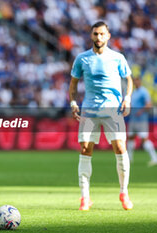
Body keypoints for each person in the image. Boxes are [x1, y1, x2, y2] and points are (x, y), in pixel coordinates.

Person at [69, 21, 134, 211]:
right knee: (85, 150)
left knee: (120, 148)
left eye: (102, 34)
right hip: (89, 111)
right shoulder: (82, 59)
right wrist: (73, 103)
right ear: (91, 36)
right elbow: (73, 86)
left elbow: (128, 80)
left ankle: (124, 192)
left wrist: (127, 98)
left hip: (113, 110)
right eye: (95, 34)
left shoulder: (117, 58)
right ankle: (85, 198)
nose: (99, 37)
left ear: (108, 36)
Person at [127, 77, 157, 166]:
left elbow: (149, 104)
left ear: (140, 81)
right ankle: (129, 158)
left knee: (144, 140)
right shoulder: (134, 92)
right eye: (134, 80)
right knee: (130, 137)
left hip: (141, 120)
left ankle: (154, 158)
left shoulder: (144, 91)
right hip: (133, 119)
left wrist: (140, 111)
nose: (135, 82)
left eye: (136, 80)